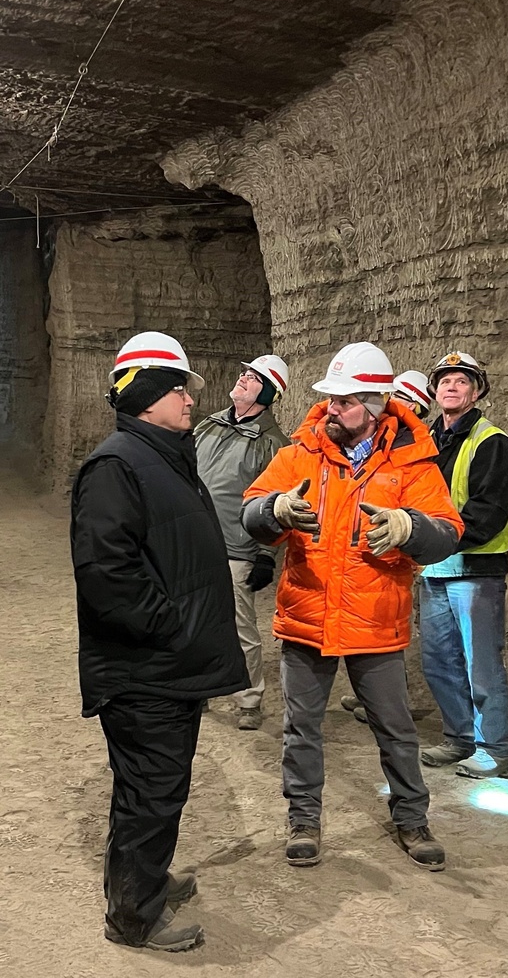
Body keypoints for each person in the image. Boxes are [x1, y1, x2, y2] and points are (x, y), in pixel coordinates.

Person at [241, 342, 463, 871]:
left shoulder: (411, 460)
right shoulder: (301, 453)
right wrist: (275, 510)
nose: (331, 408)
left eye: (343, 401)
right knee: (302, 727)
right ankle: (304, 820)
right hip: (307, 615)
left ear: (375, 403)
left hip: (374, 618)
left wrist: (412, 527)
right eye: (331, 399)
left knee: (395, 730)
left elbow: (449, 531)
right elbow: (251, 511)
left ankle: (411, 819)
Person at [71, 331, 249, 952]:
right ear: (147, 393)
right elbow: (106, 574)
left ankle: (144, 882)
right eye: (178, 387)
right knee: (151, 791)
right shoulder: (118, 465)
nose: (189, 398)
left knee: (155, 788)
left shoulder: (165, 455)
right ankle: (134, 918)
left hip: (167, 668)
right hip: (144, 669)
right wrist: (170, 628)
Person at [418, 351, 508, 779]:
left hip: (475, 569)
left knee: (481, 665)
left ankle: (495, 750)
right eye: (445, 380)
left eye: (462, 381)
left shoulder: (491, 442)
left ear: (477, 391)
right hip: (435, 569)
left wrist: (434, 538)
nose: (452, 386)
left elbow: (488, 512)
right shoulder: (426, 442)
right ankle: (459, 740)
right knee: (439, 661)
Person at [194, 354, 291, 730]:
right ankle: (199, 685)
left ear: (267, 393)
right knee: (195, 619)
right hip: (198, 542)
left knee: (239, 628)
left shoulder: (274, 445)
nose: (243, 379)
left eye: (253, 378)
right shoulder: (208, 426)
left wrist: (266, 554)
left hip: (236, 550)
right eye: (244, 374)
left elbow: (279, 505)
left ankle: (249, 699)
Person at [340, 368, 432, 724]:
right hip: (389, 546)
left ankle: (393, 702)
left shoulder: (411, 446)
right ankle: (373, 696)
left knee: (392, 632)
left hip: (405, 549)